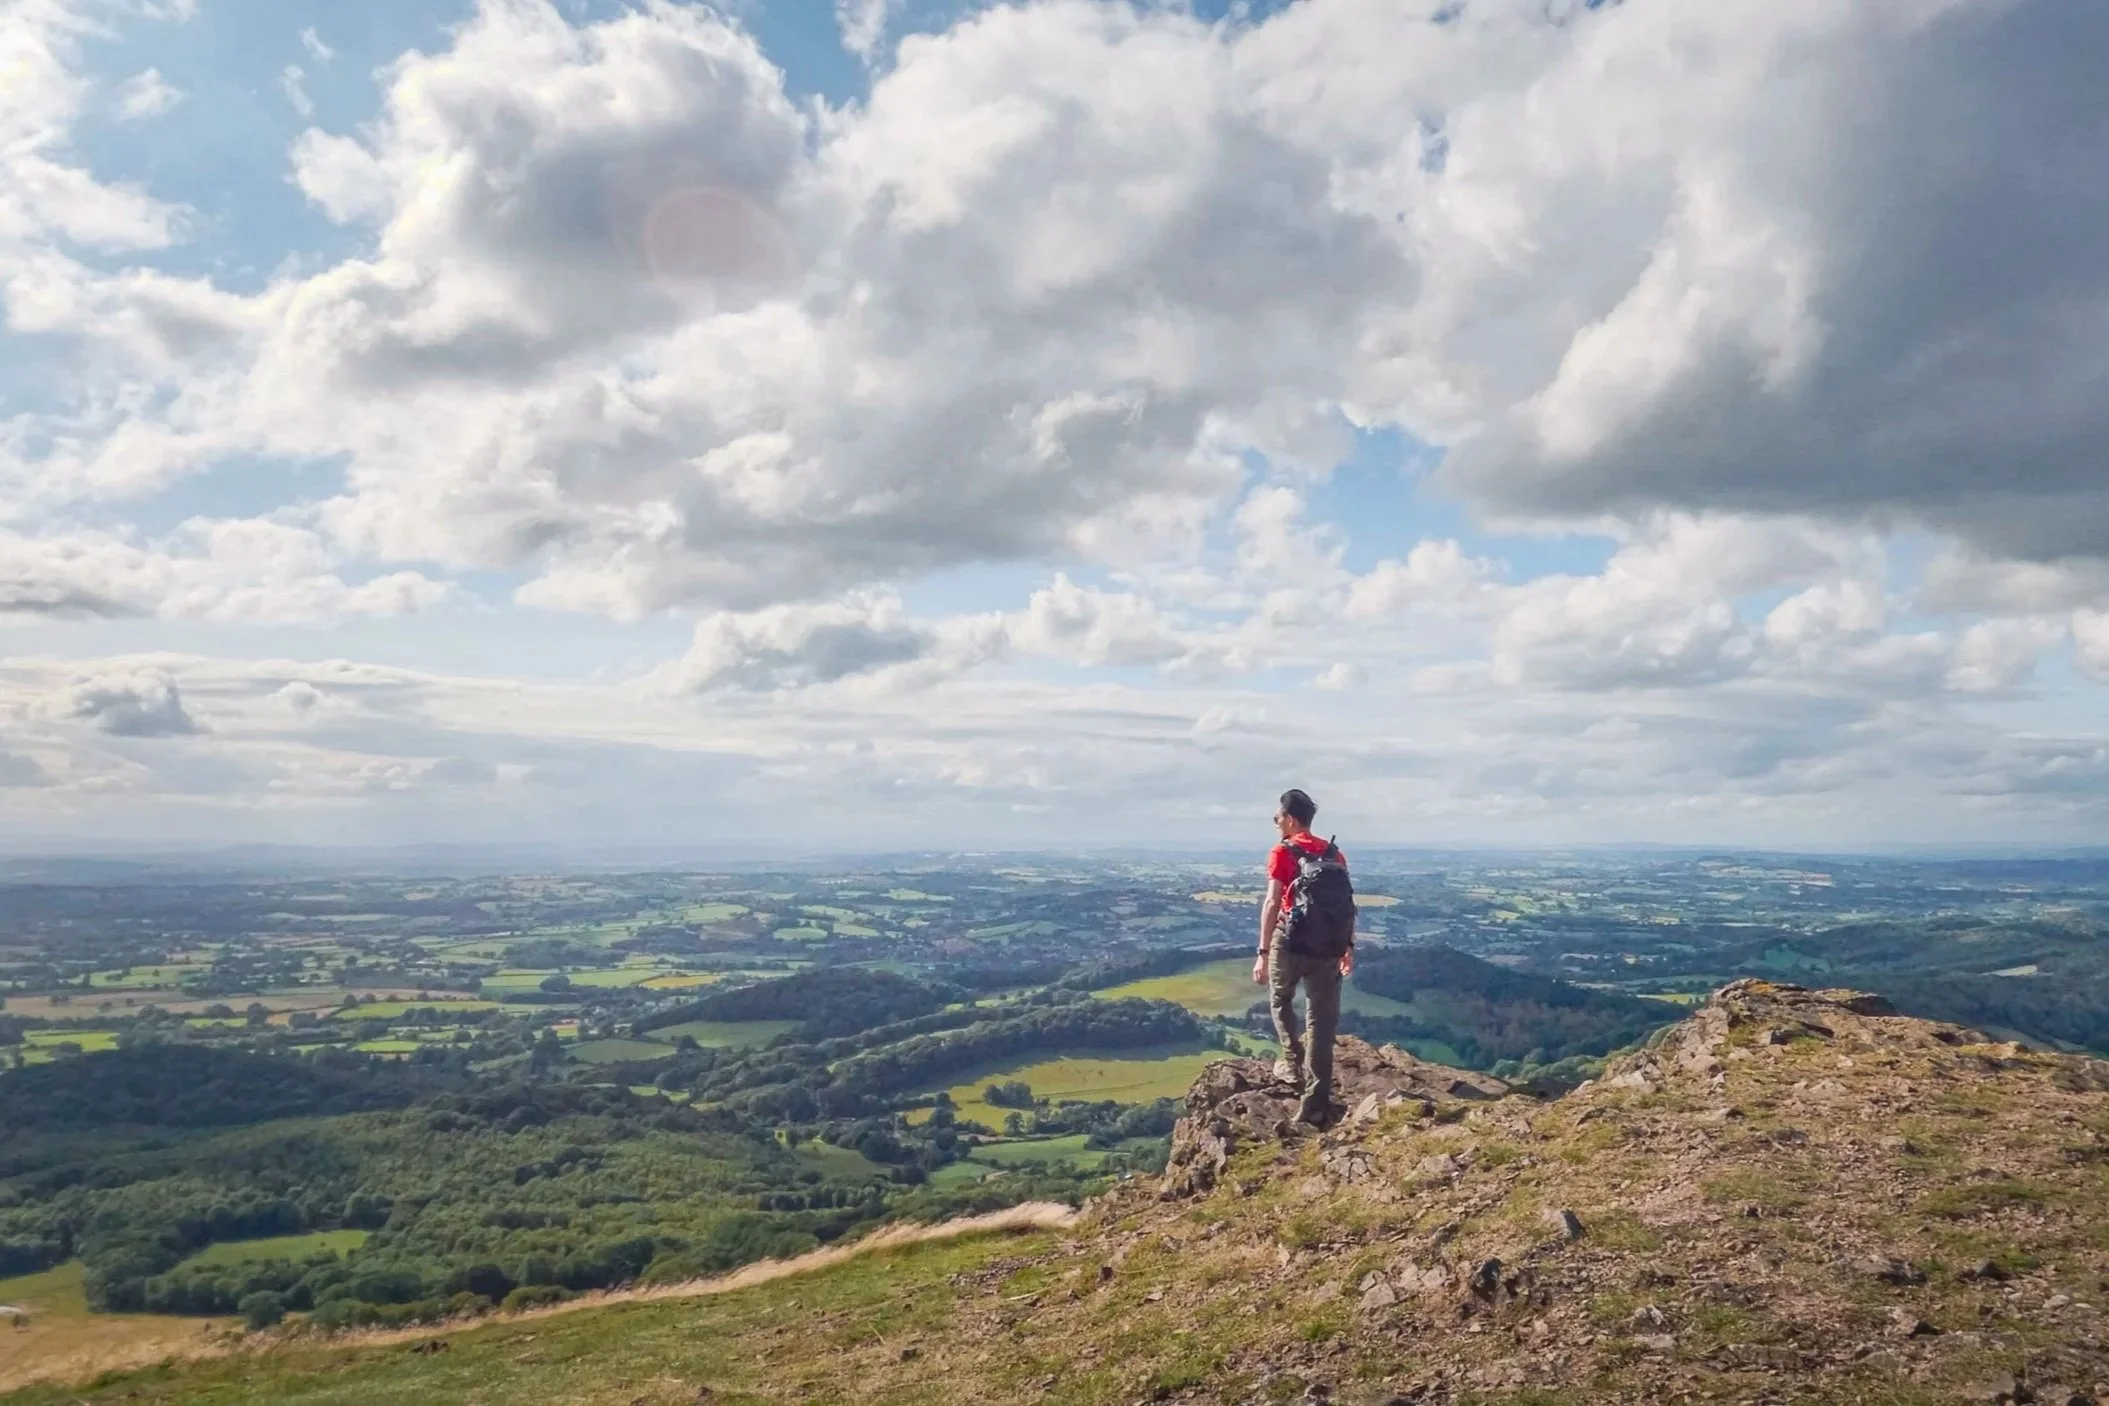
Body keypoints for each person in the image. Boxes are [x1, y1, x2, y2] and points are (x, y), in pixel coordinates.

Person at [1252, 788, 1354, 1125]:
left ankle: (1294, 1066)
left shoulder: (1283, 851)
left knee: (1280, 999)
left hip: (1290, 941)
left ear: (1290, 819)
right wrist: (1347, 947)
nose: (1275, 822)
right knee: (1321, 1023)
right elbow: (1346, 906)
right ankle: (1315, 1102)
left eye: (1277, 816)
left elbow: (1271, 903)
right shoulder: (1334, 854)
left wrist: (1262, 952)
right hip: (1328, 948)